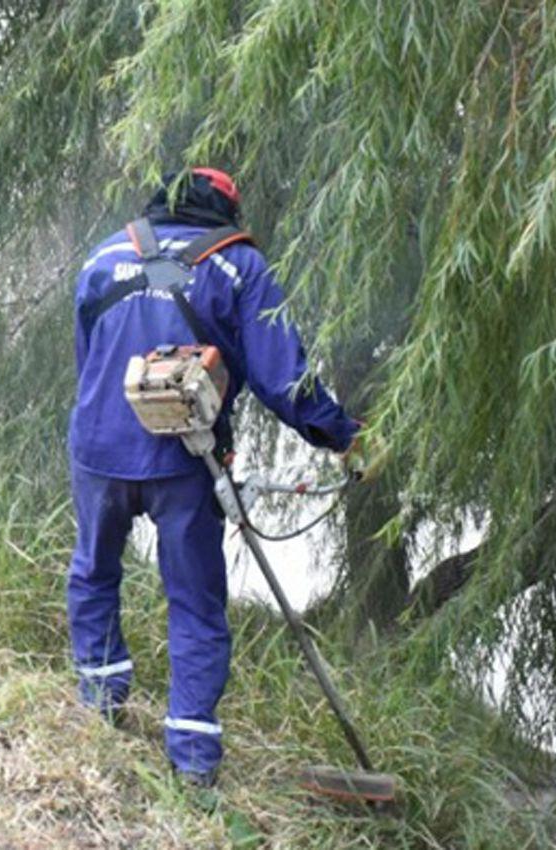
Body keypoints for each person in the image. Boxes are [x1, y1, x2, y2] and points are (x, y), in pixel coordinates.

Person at [66, 168, 360, 788]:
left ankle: (98, 708)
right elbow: (284, 383)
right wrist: (343, 435)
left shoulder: (103, 255)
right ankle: (193, 762)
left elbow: (87, 358)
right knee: (195, 603)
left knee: (95, 571)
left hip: (98, 442)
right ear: (225, 212)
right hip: (184, 460)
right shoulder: (239, 265)